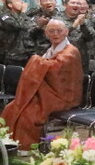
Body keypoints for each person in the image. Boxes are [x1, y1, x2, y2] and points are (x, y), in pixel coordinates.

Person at [1, 19, 83, 149]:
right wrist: (40, 62)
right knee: (11, 108)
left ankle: (26, 147)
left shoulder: (71, 51)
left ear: (66, 32)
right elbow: (45, 69)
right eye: (51, 31)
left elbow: (54, 70)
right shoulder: (51, 49)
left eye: (59, 31)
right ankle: (7, 145)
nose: (55, 34)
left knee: (28, 114)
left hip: (64, 96)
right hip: (47, 93)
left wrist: (36, 60)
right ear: (46, 33)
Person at [1, 0, 37, 67]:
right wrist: (23, 12)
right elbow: (17, 26)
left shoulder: (25, 16)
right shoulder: (5, 16)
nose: (21, 3)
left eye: (21, 1)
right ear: (10, 5)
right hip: (13, 55)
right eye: (18, 1)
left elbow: (32, 28)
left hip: (29, 53)